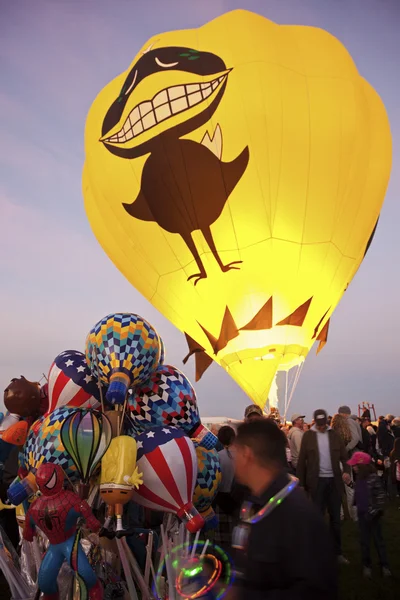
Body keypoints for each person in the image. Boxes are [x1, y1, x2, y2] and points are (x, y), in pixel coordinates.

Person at [230, 418, 337, 600]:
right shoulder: (254, 503)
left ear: (247, 454)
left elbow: (316, 591)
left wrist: (238, 596)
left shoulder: (297, 515)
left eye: (235, 453)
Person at [297, 409, 351, 564]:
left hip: (334, 482)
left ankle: (337, 552)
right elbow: (301, 462)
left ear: (327, 421)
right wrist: (301, 484)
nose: (321, 427)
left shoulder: (334, 435)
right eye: (319, 425)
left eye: (323, 424)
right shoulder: (308, 436)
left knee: (335, 519)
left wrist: (346, 471)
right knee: (317, 518)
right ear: (315, 422)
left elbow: (344, 457)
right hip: (316, 483)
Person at [348, 452, 391, 578]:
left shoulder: (373, 478)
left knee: (379, 541)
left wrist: (373, 512)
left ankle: (385, 566)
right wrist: (350, 483)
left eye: (355, 465)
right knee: (364, 542)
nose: (353, 468)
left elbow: (381, 498)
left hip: (373, 516)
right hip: (362, 516)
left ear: (361, 466)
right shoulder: (360, 478)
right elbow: (359, 491)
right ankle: (367, 565)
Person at [214, 426, 237, 550]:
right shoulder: (242, 456)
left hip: (221, 501)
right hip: (238, 501)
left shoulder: (217, 456)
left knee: (222, 545)